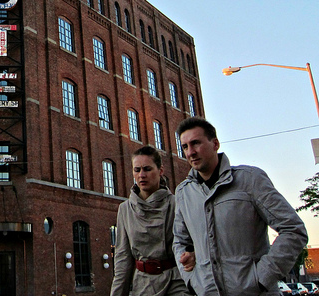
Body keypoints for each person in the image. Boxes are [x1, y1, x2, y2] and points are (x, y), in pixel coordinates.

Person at [173, 117, 308, 296]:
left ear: (215, 144)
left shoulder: (250, 180)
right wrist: (191, 279)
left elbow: (293, 229)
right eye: (185, 146)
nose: (190, 152)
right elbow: (179, 241)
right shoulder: (184, 193)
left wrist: (261, 278)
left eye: (196, 143)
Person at [110, 145, 189, 296]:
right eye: (137, 170)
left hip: (176, 283)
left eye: (147, 169)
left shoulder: (177, 204)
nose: (142, 175)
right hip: (143, 285)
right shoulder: (125, 209)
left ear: (160, 171)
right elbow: (122, 260)